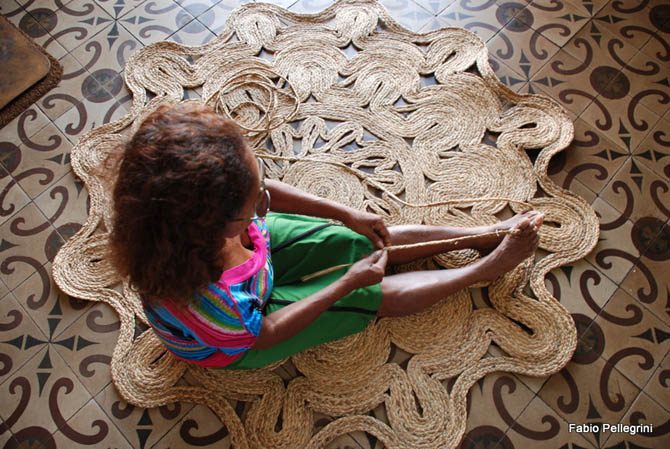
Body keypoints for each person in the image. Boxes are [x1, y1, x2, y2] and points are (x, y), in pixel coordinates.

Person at [107, 102, 543, 370]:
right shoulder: (216, 306)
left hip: (251, 260)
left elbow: (264, 189)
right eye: (254, 200)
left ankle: (479, 235)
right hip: (250, 331)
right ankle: (484, 269)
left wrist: (345, 213)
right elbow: (267, 332)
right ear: (218, 224)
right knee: (370, 294)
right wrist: (345, 285)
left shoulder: (199, 215)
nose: (265, 198)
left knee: (361, 242)